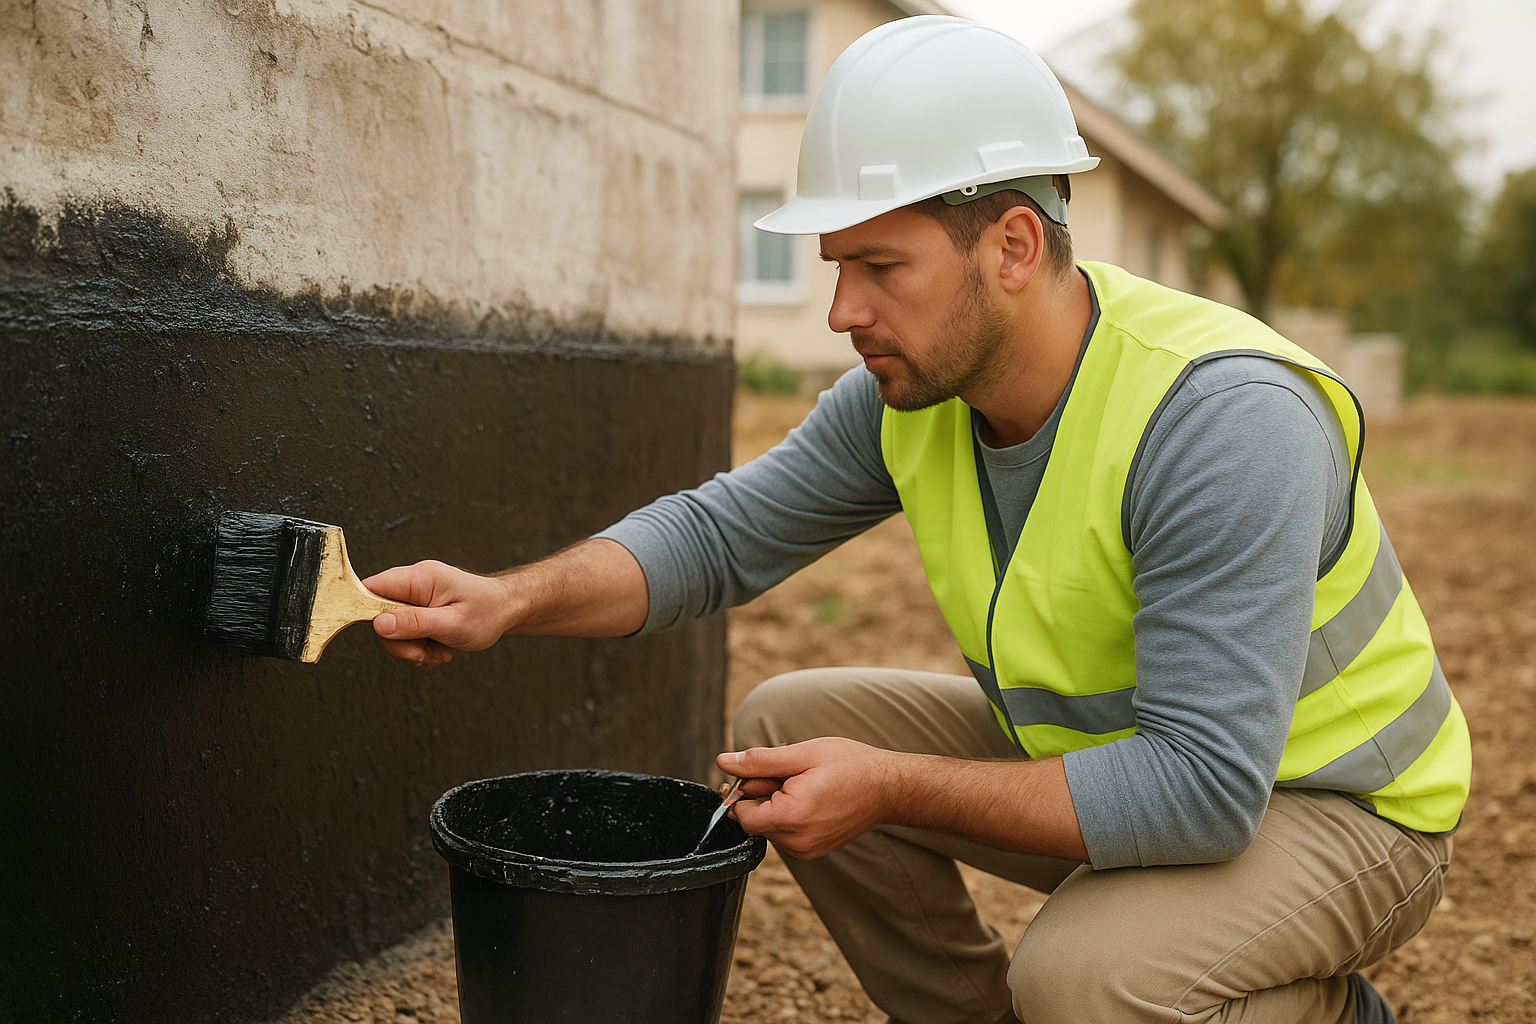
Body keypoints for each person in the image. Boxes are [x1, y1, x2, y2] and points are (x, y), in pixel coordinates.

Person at [364, 17, 1470, 1024]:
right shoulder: (915, 395)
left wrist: (889, 784)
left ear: (1016, 248)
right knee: (787, 721)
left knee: (1084, 980)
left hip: (1332, 804)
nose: (845, 311)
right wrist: (509, 600)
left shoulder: (1224, 419)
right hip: (1127, 757)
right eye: (838, 266)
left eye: (880, 267)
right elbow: (716, 538)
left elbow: (1201, 792)